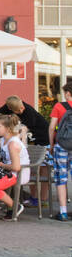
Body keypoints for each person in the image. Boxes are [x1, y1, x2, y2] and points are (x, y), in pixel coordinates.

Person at [0, 114, 30, 221]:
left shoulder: (12, 144)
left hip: (18, 174)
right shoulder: (2, 140)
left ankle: (14, 206)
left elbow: (16, 167)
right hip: (9, 172)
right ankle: (2, 206)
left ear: (8, 128)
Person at [46, 82, 72, 221]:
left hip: (61, 145)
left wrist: (51, 145)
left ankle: (63, 212)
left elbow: (52, 127)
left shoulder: (59, 106)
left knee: (61, 178)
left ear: (67, 93)